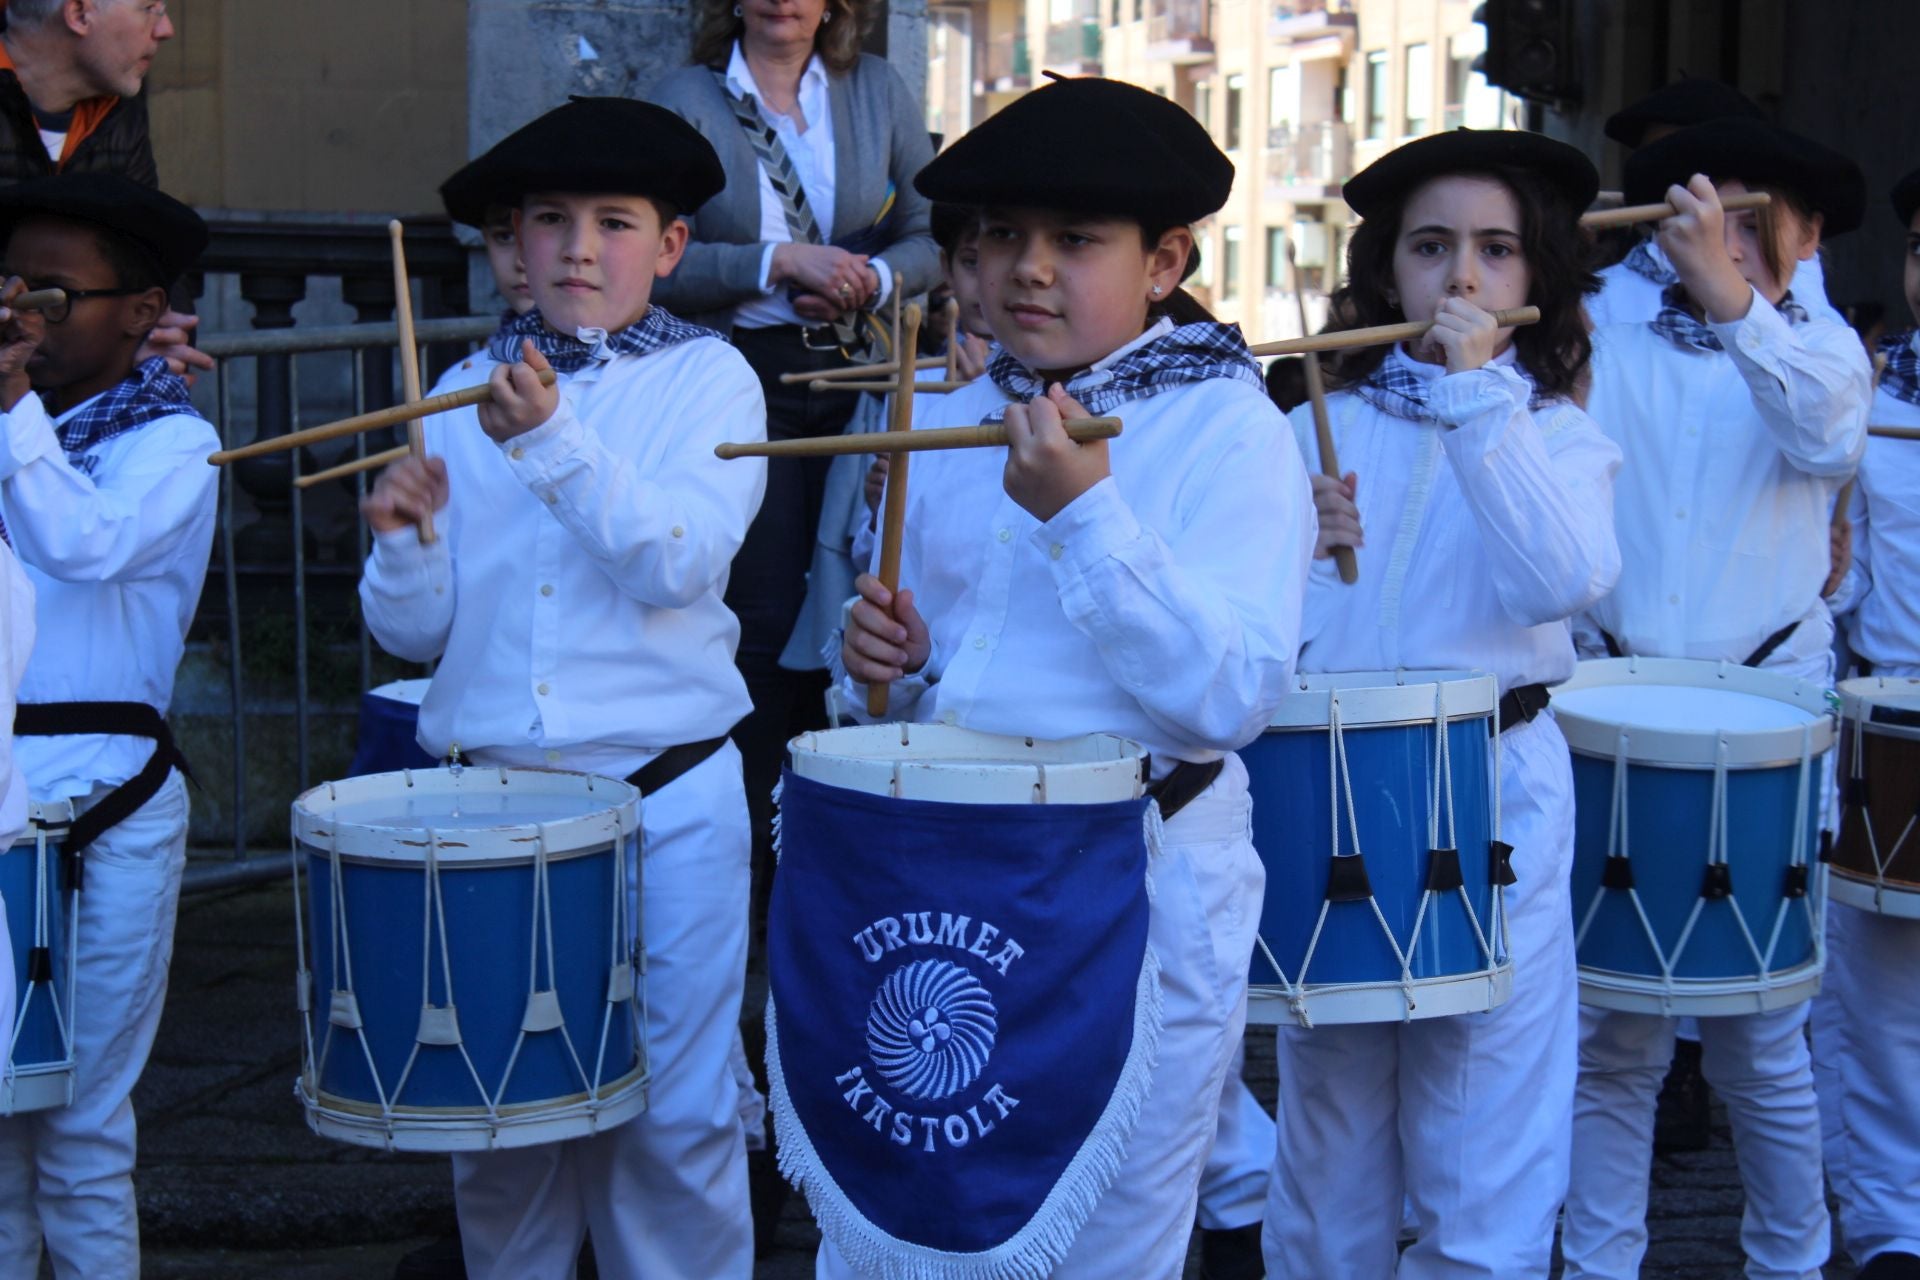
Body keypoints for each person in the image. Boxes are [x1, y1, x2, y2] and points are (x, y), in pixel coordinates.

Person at [828, 74, 1314, 1276]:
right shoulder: (951, 417)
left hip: (1135, 886)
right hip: (951, 884)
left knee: (1101, 1235)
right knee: (916, 1222)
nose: (1028, 268)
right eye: (1002, 237)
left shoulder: (1230, 425)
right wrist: (885, 666)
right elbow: (934, 691)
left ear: (1166, 262)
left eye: (1076, 241)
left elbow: (1231, 696)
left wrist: (1087, 517)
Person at [357, 96, 766, 1280]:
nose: (581, 247)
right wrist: (405, 541)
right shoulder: (456, 383)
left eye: (616, 221)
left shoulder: (712, 380)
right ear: (508, 247)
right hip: (490, 807)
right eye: (550, 221)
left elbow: (678, 558)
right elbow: (418, 634)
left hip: (668, 795)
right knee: (502, 1125)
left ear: (672, 246)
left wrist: (548, 442)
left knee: (674, 1121)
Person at [1259, 128, 1622, 1279]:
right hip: (1341, 799)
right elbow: (1270, 643)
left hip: (1494, 791)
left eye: (1496, 250)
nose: (1461, 276)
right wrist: (1302, 552)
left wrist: (1478, 403)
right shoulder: (1318, 421)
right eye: (1431, 246)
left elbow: (1561, 580)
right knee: (1331, 1124)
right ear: (1386, 269)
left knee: (1485, 1119)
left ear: (1535, 281)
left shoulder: (1557, 435)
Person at [1562, 116, 1872, 1280]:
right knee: (1614, 1035)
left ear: (1799, 235)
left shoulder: (1825, 339)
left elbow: (1830, 435)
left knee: (1762, 1033)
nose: (1722, 240)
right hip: (1616, 691)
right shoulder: (1597, 321)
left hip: (1764, 701)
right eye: (1703, 216)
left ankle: (1790, 1260)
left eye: (1751, 222)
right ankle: (1596, 1262)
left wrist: (1738, 303)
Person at [648, 0, 940, 968]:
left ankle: (839, 880)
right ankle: (753, 892)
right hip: (747, 378)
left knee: (857, 605)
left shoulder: (873, 90)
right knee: (764, 630)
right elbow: (658, 256)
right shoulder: (691, 96)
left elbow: (937, 230)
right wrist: (776, 260)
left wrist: (871, 278)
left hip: (860, 378)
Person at [0, 170, 215, 1279]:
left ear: (140, 311)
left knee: (80, 1123)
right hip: (2, 792)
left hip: (106, 800)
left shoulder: (172, 440)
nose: (21, 314)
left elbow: (81, 545)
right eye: (7, 287)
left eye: (50, 294)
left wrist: (12, 413)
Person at [1811, 167, 1920, 1280]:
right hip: (1897, 715)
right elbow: (1843, 589)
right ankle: (1895, 1226)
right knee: (1881, 1006)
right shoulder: (1874, 407)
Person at [0, 0, 209, 384]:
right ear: (79, 14)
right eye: (149, 8)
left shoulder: (118, 109)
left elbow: (151, 262)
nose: (165, 30)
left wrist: (158, 340)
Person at [1587, 77, 1842, 330]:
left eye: (1752, 227)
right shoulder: (1604, 300)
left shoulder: (1816, 326)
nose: (1731, 251)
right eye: (1655, 163)